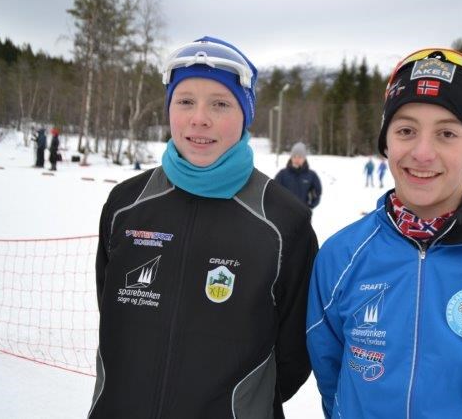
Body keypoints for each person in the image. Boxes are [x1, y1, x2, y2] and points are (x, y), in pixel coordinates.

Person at [306, 48, 462, 418]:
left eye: (446, 133)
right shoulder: (339, 255)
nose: (423, 153)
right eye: (406, 130)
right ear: (386, 142)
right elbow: (330, 374)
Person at [90, 36, 318, 419]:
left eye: (220, 103)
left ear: (245, 114)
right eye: (185, 101)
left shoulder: (284, 222)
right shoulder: (126, 205)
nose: (199, 118)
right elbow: (112, 315)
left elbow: (294, 358)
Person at [274, 141, 322, 209]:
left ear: (304, 158)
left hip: (303, 213)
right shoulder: (282, 174)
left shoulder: (311, 175)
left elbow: (317, 193)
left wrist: (309, 207)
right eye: (294, 157)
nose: (297, 159)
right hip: (284, 213)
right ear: (291, 158)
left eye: (300, 157)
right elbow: (275, 191)